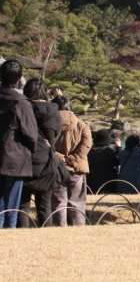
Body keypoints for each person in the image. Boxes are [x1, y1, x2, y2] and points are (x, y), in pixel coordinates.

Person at [20, 78, 62, 228]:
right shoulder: (53, 110)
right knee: (45, 206)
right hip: (47, 160)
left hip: (25, 158)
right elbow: (57, 133)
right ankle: (45, 235)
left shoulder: (22, 108)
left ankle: (21, 235)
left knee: (23, 205)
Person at [0, 60, 37, 229]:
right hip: (15, 158)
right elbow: (31, 133)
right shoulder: (21, 103)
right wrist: (32, 150)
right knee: (11, 207)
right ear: (19, 78)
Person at [52, 96, 92, 225]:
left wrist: (61, 158)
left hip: (58, 167)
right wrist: (73, 159)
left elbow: (46, 145)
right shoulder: (82, 125)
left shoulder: (50, 124)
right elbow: (86, 144)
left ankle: (60, 229)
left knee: (59, 202)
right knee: (78, 202)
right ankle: (78, 229)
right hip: (77, 168)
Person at [86, 129, 120, 200]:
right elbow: (117, 163)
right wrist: (118, 149)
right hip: (106, 185)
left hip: (90, 185)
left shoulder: (88, 151)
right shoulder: (108, 152)